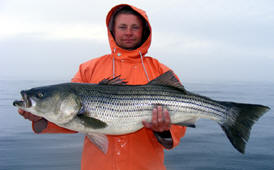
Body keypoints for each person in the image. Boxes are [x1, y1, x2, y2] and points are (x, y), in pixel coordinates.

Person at [18, 4, 186, 170]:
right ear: (112, 30)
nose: (128, 32)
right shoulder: (88, 69)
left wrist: (164, 131)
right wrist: (40, 119)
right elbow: (68, 118)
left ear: (144, 31)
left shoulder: (160, 71)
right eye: (122, 27)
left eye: (135, 27)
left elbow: (181, 120)